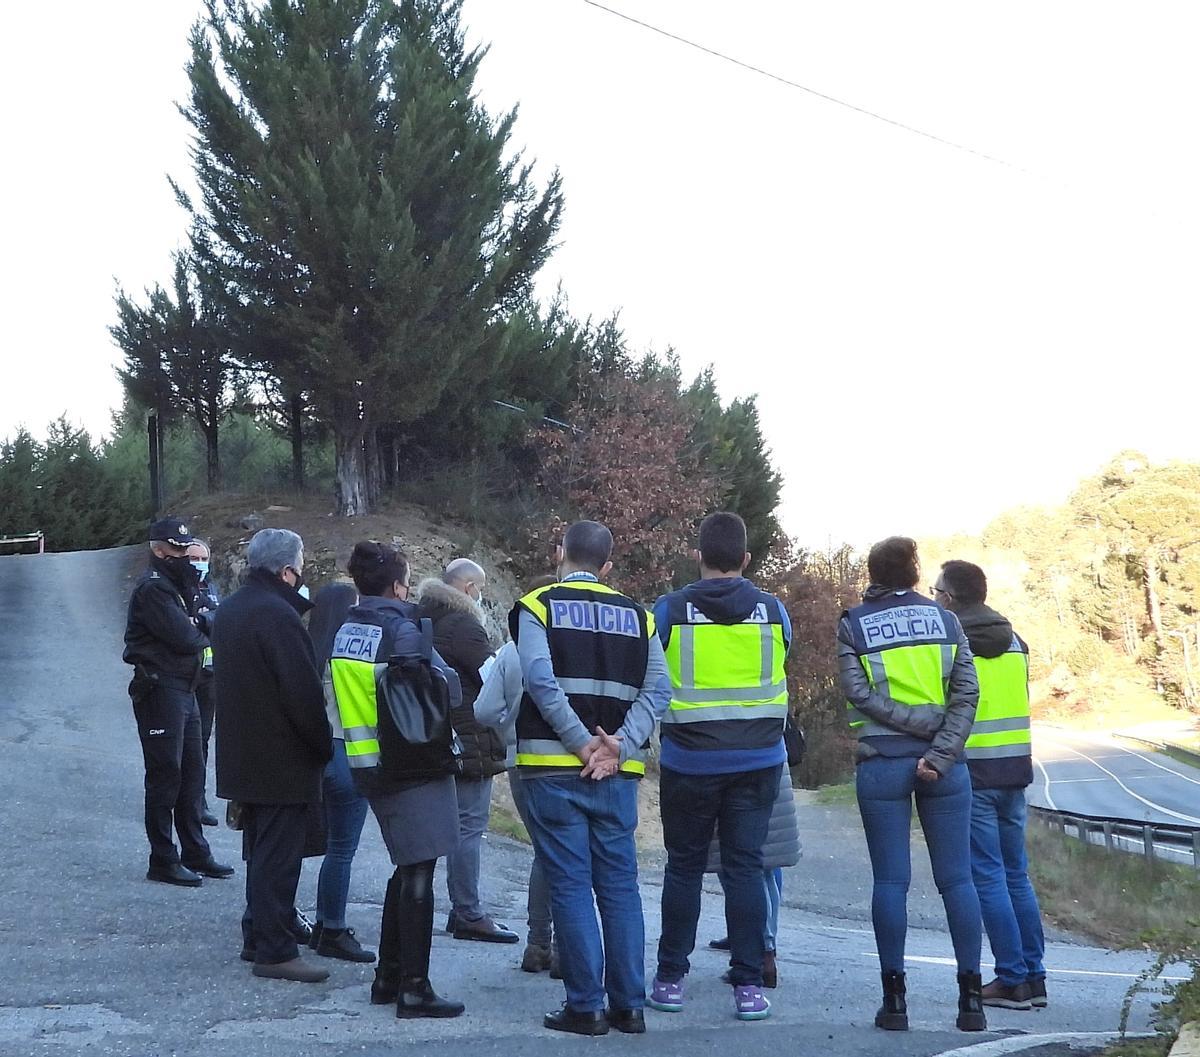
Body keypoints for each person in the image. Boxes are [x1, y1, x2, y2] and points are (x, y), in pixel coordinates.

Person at [511, 520, 672, 1036]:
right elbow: (660, 692)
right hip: (617, 772)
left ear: (560, 553)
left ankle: (586, 1006)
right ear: (608, 565)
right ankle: (630, 1006)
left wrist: (582, 743)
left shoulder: (536, 605)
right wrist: (620, 743)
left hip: (554, 768)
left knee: (572, 885)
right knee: (621, 887)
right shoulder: (641, 618)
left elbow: (539, 679)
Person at [837, 536, 985, 1033]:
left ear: (873, 574)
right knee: (958, 880)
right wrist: (939, 747)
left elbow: (857, 693)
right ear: (916, 572)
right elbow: (967, 694)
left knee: (890, 881)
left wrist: (906, 727)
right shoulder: (947, 621)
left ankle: (894, 1003)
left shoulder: (853, 623)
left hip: (882, 762)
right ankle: (971, 1003)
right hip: (944, 766)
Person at [648, 512, 790, 1022]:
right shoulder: (774, 611)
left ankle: (669, 980)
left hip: (690, 760)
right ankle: (748, 987)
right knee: (745, 868)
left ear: (698, 556)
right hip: (758, 760)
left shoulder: (669, 611)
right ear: (746, 559)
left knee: (684, 868)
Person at [329, 541, 464, 1019]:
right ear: (397, 583)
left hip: (365, 760)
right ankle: (414, 987)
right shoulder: (401, 630)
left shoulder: (349, 626)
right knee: (420, 871)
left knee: (405, 866)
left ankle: (388, 977)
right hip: (410, 763)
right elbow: (447, 690)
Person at [213, 528, 333, 983]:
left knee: (260, 852)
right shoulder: (279, 616)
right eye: (299, 569)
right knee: (278, 859)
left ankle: (256, 935)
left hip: (244, 752)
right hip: (282, 756)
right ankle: (276, 950)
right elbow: (301, 694)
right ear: (286, 571)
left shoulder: (231, 610)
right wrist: (321, 747)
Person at [935, 560, 1046, 1011]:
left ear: (952, 598)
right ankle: (1034, 977)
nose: (935, 596)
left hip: (976, 772)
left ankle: (1011, 978)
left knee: (988, 876)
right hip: (1014, 772)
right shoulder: (1017, 642)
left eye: (937, 590)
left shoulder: (953, 642)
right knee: (1016, 874)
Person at [123, 516, 233, 887]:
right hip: (160, 688)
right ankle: (162, 858)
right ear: (158, 550)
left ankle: (195, 852)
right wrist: (201, 622)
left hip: (187, 686)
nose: (185, 555)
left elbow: (209, 620)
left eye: (187, 549)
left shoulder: (179, 583)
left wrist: (201, 620)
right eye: (177, 549)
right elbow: (187, 637)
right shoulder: (154, 589)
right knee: (165, 775)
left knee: (192, 771)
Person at [416, 559, 516, 944]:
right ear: (469, 587)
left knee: (437, 825)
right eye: (481, 588)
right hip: (469, 738)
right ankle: (468, 911)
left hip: (431, 734)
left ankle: (443, 905)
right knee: (469, 826)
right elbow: (494, 677)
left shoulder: (422, 617)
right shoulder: (464, 625)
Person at [473, 574, 560, 975]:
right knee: (566, 853)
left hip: (520, 761)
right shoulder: (570, 647)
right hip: (565, 759)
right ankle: (561, 943)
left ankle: (537, 941)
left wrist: (509, 727)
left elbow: (483, 711)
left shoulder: (511, 652)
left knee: (543, 851)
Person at [304, 580, 376, 964]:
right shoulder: (351, 652)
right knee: (341, 849)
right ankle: (331, 924)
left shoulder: (307, 649)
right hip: (349, 751)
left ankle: (296, 919)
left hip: (316, 752)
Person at [185, 539, 220, 827]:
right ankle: (179, 796)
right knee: (181, 742)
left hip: (209, 676)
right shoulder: (173, 588)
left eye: (202, 557)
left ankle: (198, 799)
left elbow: (220, 617)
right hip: (182, 676)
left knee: (202, 740)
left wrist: (204, 618)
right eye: (192, 556)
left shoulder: (212, 588)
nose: (198, 562)